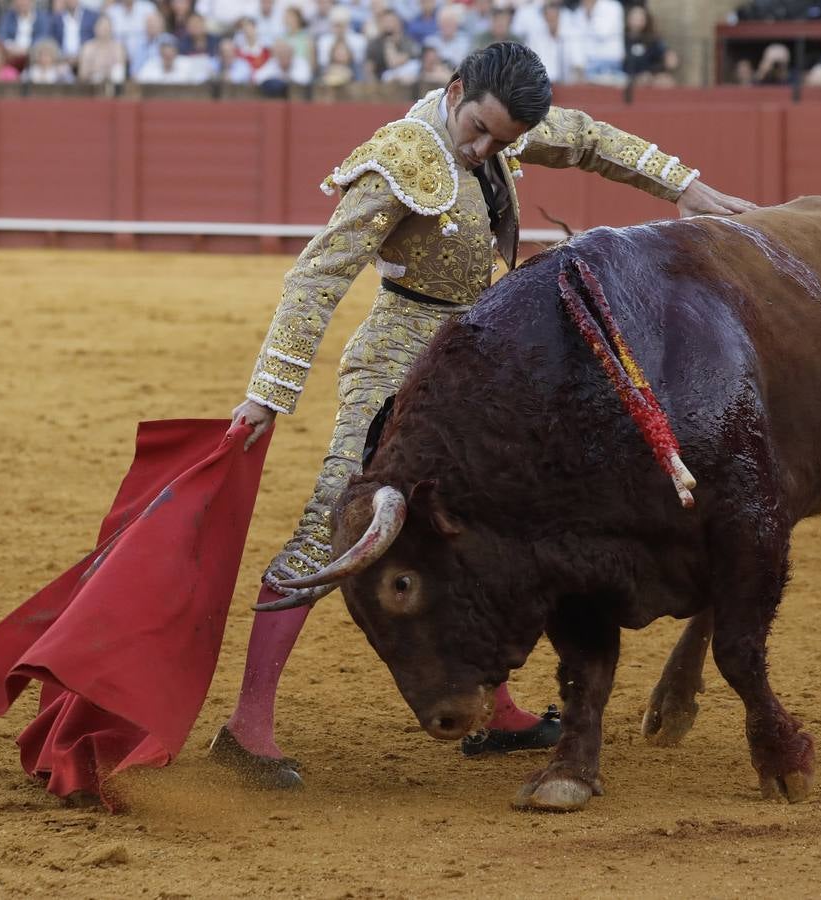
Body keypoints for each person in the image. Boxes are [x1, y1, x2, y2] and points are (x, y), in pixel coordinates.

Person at [210, 41, 757, 789]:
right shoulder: (401, 156)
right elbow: (320, 272)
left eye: (501, 140)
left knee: (488, 526)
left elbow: (591, 138)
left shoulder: (502, 124)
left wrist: (683, 186)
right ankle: (247, 726)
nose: (485, 148)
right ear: (456, 87)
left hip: (479, 368)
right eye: (479, 131)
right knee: (335, 526)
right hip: (395, 368)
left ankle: (495, 708)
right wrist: (270, 391)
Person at [622, 4, 676, 87]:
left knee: (665, 81)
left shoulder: (653, 40)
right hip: (625, 77)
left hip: (649, 77)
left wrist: (652, 73)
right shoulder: (621, 39)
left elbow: (670, 60)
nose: (637, 21)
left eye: (640, 18)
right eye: (634, 18)